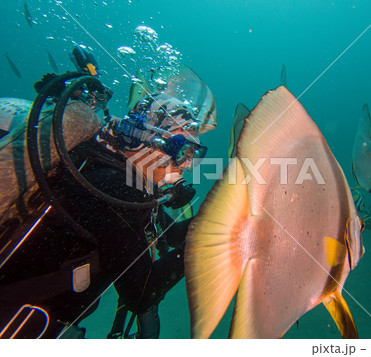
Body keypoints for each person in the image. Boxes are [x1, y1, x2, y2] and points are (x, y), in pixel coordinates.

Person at [0, 46, 216, 339]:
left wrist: (222, 220)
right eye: (185, 150)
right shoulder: (114, 187)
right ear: (150, 139)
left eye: (195, 154)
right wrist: (215, 249)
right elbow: (141, 292)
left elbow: (169, 235)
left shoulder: (125, 183)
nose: (189, 164)